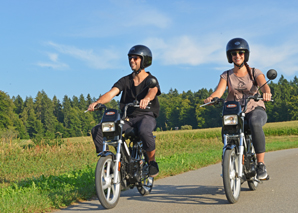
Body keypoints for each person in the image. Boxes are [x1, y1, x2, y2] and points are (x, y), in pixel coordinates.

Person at [88, 44, 161, 177]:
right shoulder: (125, 80)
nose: (131, 61)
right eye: (130, 58)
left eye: (135, 58)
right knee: (99, 130)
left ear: (144, 60)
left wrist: (146, 99)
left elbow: (153, 90)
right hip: (127, 118)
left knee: (144, 131)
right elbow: (111, 93)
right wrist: (98, 102)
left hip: (145, 116)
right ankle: (107, 164)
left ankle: (151, 162)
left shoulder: (151, 79)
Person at [204, 38, 272, 180]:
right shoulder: (227, 75)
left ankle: (260, 164)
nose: (237, 56)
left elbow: (264, 85)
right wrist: (212, 98)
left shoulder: (254, 72)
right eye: (234, 53)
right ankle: (235, 162)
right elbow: (219, 91)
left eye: (241, 53)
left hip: (255, 108)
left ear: (245, 55)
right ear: (230, 56)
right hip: (234, 111)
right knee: (227, 131)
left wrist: (267, 92)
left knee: (254, 122)